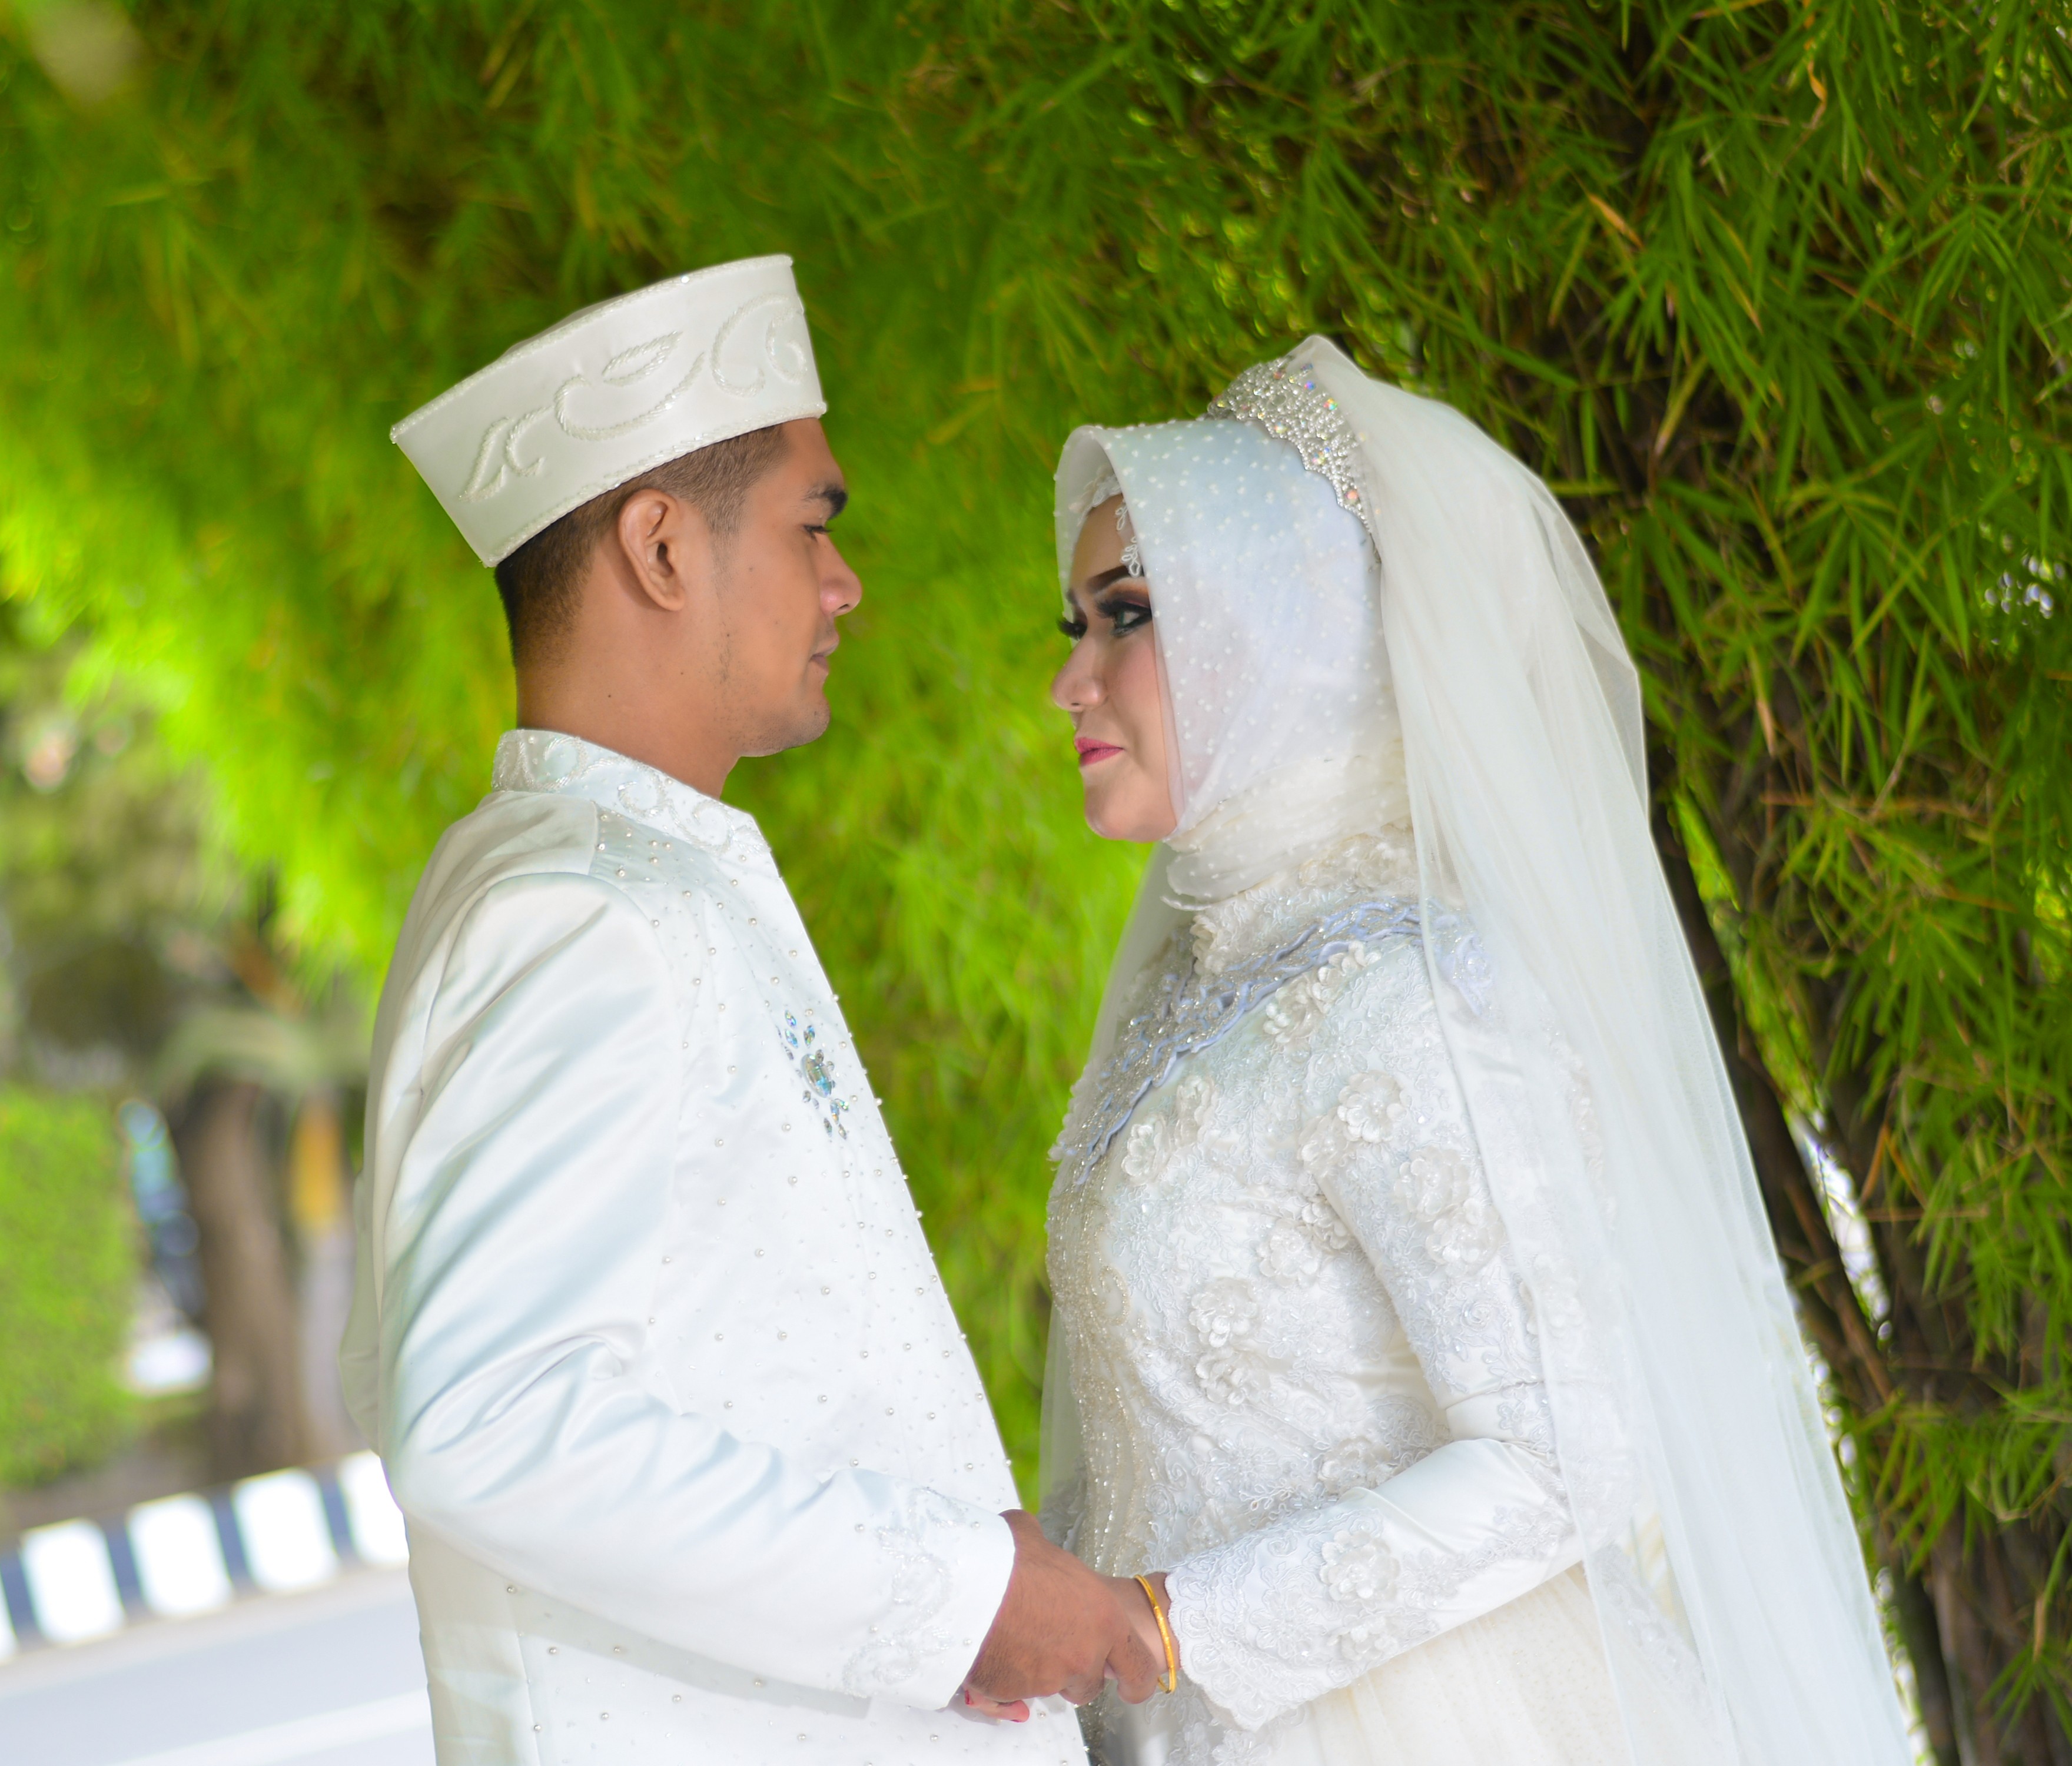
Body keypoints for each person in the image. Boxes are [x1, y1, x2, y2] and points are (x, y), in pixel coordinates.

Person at [1036, 340, 1914, 1764]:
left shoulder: (1418, 989)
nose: (1071, 684)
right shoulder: (1198, 982)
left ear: (1286, 628)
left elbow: (1562, 1459)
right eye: (1072, 623)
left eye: (1125, 616)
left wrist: (1175, 1620)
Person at [348, 255, 1154, 1764]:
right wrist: (956, 1594)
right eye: (812, 526)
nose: (845, 582)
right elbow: (490, 1420)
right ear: (659, 545)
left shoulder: (627, 876)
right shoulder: (572, 914)